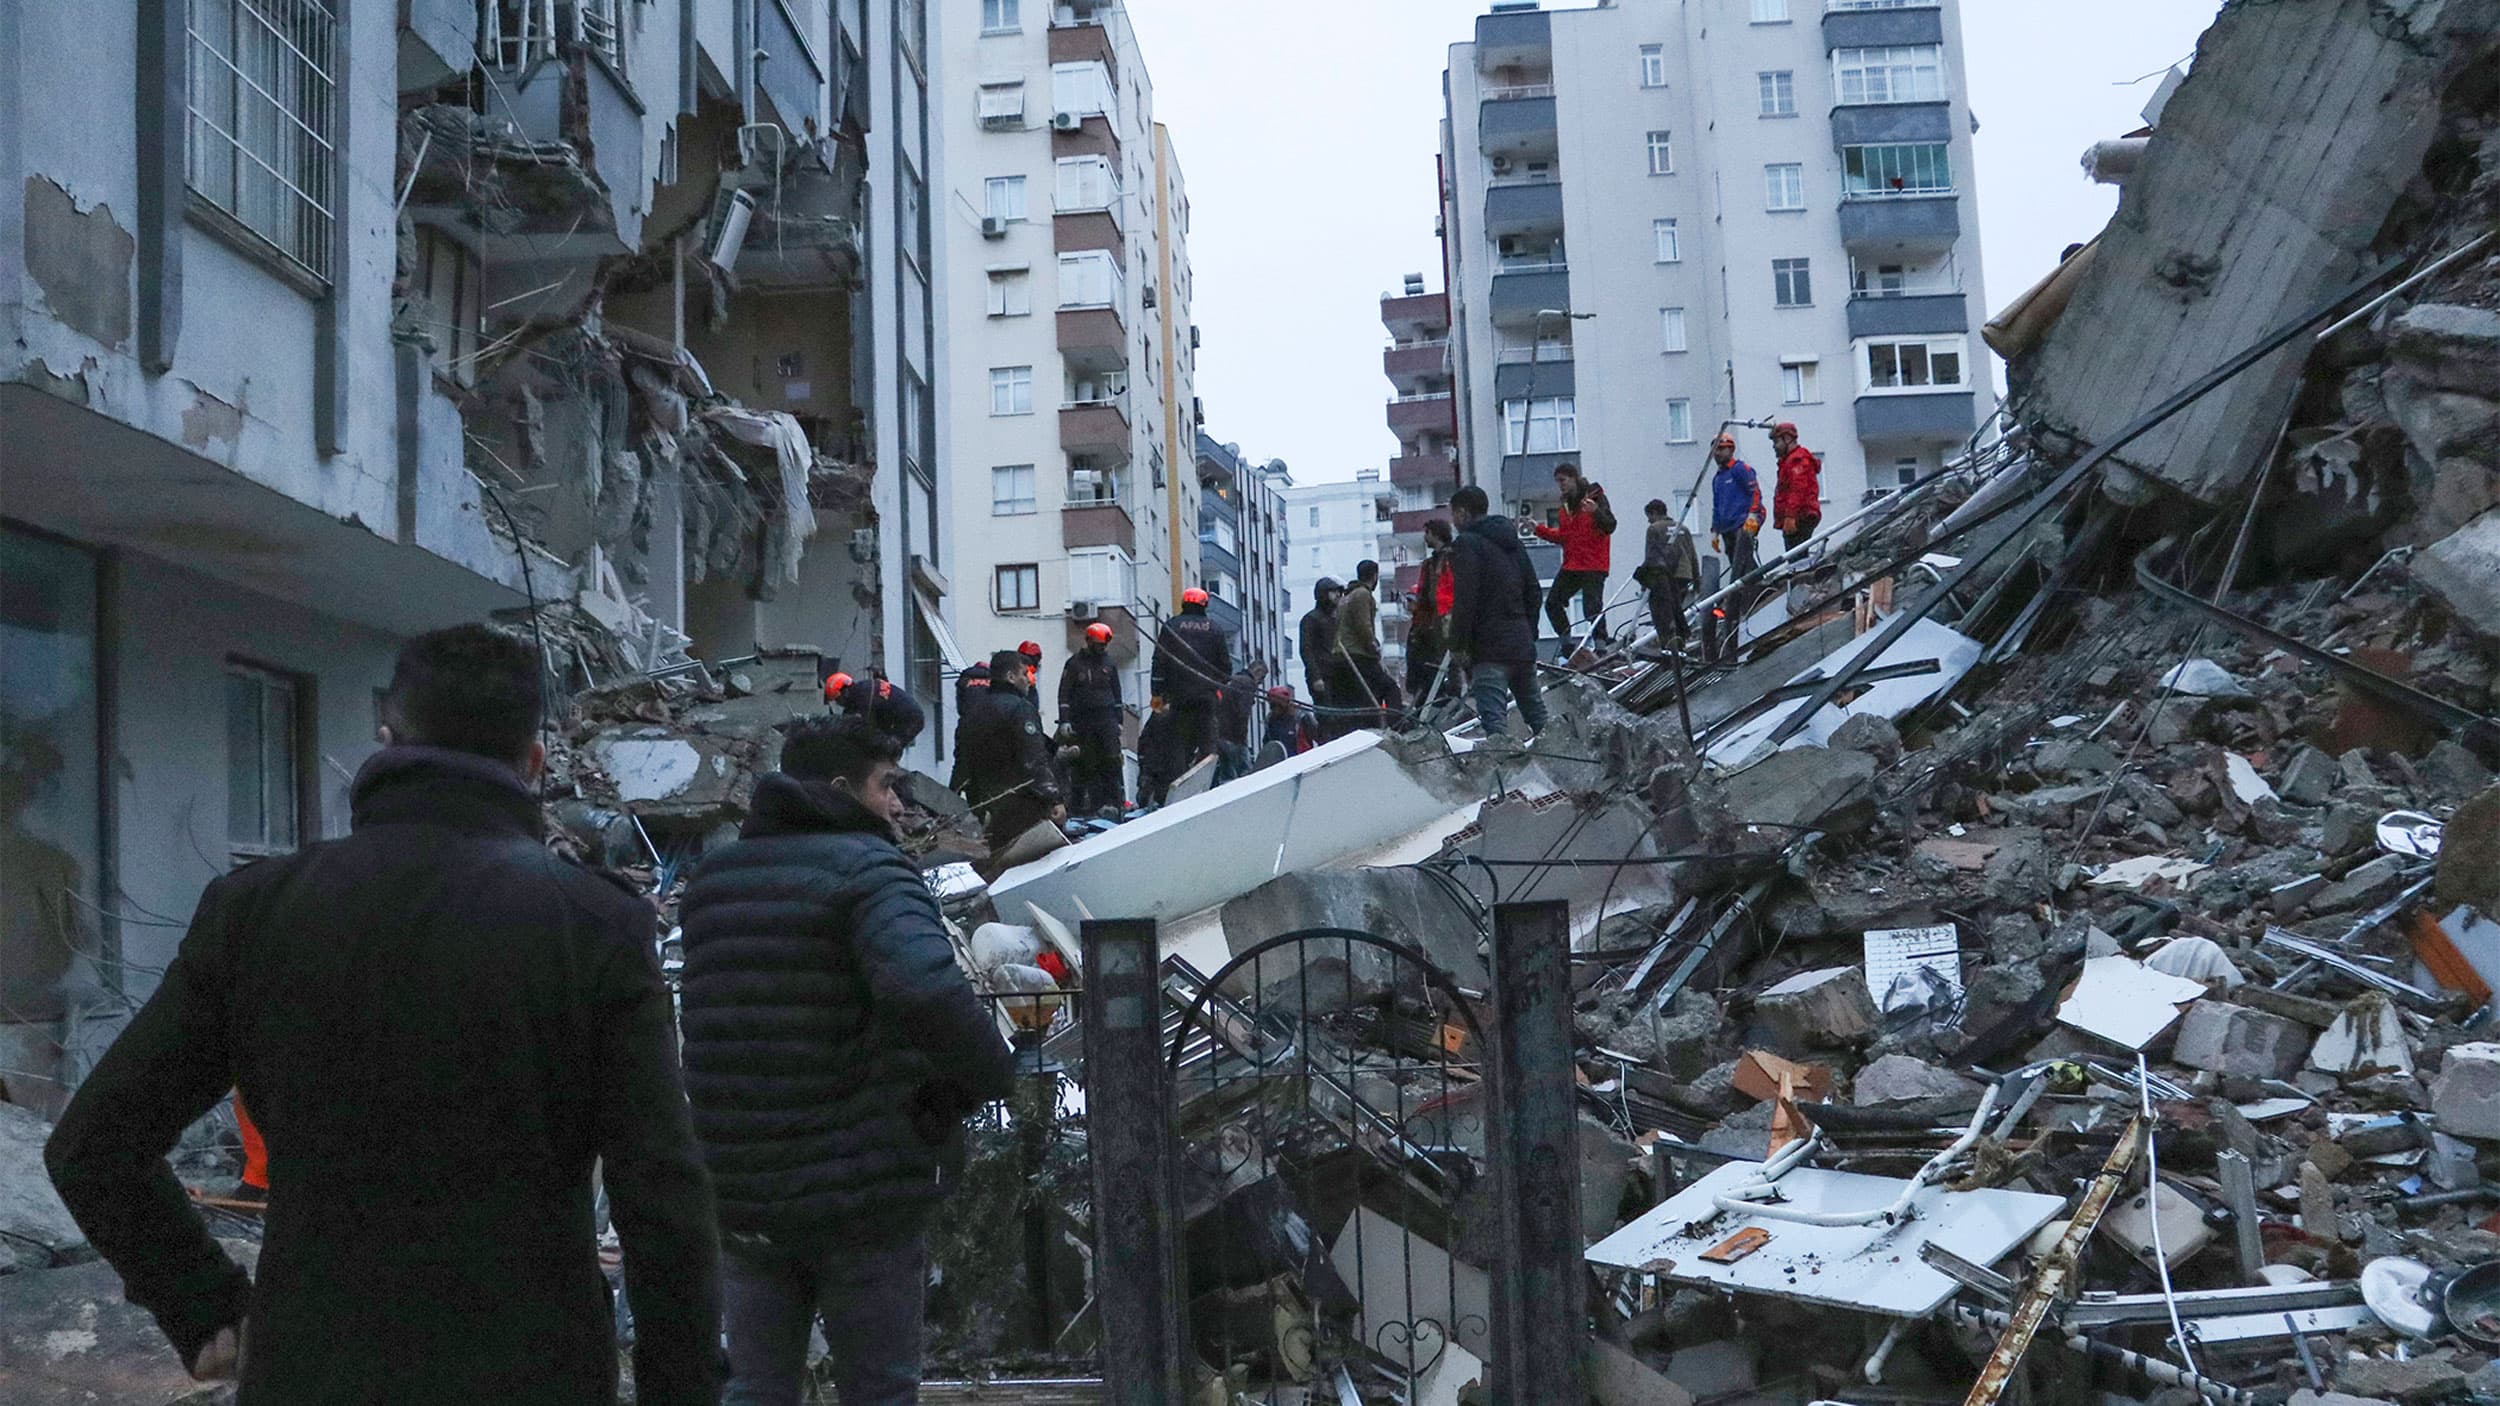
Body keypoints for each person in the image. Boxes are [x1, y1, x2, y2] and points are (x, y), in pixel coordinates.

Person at [45, 625, 722, 1404]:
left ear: (387, 741)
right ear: (534, 763)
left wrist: (205, 1306)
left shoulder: (259, 913)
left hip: (316, 1366)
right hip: (533, 1369)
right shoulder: (593, 926)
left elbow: (93, 1145)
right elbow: (663, 1202)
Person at [680, 715, 1017, 1406]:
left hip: (743, 1190)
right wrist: (986, 1077)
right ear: (840, 789)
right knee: (878, 1390)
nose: (899, 803)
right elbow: (927, 989)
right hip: (859, 1196)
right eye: (887, 785)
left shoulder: (715, 881)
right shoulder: (870, 872)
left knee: (755, 1389)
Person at [1445, 485, 1549, 739]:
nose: (1453, 522)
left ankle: (1505, 774)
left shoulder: (1467, 544)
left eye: (1454, 515)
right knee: (1540, 721)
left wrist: (1458, 644)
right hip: (1521, 646)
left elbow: (1465, 598)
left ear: (1462, 513)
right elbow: (1534, 592)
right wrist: (1529, 631)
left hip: (1489, 649)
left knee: (1496, 729)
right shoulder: (1512, 542)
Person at [955, 647, 1064, 857]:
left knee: (997, 865)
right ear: (1011, 676)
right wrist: (1054, 799)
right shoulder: (1020, 709)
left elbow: (962, 761)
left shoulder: (973, 713)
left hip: (985, 807)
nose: (1029, 680)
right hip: (1022, 807)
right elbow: (1034, 760)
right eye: (1024, 674)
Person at [1531, 462, 1617, 650]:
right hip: (1574, 564)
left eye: (1563, 480)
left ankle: (1601, 645)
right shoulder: (1565, 508)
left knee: (1591, 607)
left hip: (1594, 563)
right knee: (1552, 603)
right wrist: (1538, 530)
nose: (1560, 485)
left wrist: (1596, 512)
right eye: (1558, 481)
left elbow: (1610, 525)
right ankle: (1568, 645)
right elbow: (1565, 537)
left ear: (1573, 478)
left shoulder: (1595, 497)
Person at [1150, 587, 1232, 775]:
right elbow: (1225, 668)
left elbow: (1159, 661)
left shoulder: (1171, 626)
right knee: (1207, 742)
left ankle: (1179, 782)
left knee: (1177, 744)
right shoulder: (1215, 629)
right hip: (1205, 698)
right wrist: (1215, 687)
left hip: (1177, 698)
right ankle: (1207, 781)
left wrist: (1156, 692)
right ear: (1204, 605)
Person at [1057, 621, 1125, 816]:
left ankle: (1114, 804)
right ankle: (1080, 808)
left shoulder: (1109, 663)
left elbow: (1116, 693)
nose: (1102, 649)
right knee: (1083, 764)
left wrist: (1118, 721)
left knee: (1111, 761)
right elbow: (1064, 694)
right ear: (1089, 641)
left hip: (1106, 720)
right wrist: (1065, 720)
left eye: (1104, 646)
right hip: (1082, 721)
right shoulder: (1074, 664)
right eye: (1099, 645)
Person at [1707, 434, 1765, 661]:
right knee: (1737, 563)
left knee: (1743, 562)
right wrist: (1715, 530)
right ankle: (1748, 589)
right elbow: (1716, 506)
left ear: (1729, 449)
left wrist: (1753, 514)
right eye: (1715, 451)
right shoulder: (1718, 478)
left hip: (1744, 522)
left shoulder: (1740, 470)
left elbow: (1755, 493)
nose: (1717, 455)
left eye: (1720, 450)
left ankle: (1754, 588)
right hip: (1728, 527)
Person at [1332, 560, 1405, 731]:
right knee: (1390, 688)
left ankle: (1372, 728)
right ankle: (1398, 726)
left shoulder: (1345, 597)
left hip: (1342, 655)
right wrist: (1373, 646)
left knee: (1367, 697)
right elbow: (1363, 626)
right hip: (1358, 655)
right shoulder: (1362, 594)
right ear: (1374, 576)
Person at [1405, 521, 1458, 705]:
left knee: (1456, 659)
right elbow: (1424, 594)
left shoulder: (1452, 558)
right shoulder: (1430, 564)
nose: (1424, 537)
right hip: (1437, 619)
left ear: (1435, 534)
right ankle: (1452, 698)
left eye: (1426, 532)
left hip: (1449, 615)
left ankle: (1457, 697)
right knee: (1446, 662)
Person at [1636, 498, 1700, 649]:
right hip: (1685, 575)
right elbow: (1692, 554)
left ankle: (1670, 640)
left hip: (1666, 576)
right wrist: (1697, 580)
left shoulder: (1654, 529)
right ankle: (1679, 638)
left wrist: (1646, 581)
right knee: (1678, 608)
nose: (1648, 521)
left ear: (1654, 513)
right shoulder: (1683, 528)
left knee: (1664, 611)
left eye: (1649, 517)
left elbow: (1651, 556)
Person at [825, 669, 927, 750]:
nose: (838, 703)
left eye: (838, 700)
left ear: (845, 693)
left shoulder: (865, 699)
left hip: (910, 719)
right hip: (901, 717)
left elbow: (866, 728)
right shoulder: (863, 688)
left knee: (887, 748)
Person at [1769, 422, 1823, 552]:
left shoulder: (1797, 460)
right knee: (1795, 555)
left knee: (1796, 557)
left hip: (1801, 516)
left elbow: (1797, 489)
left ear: (1787, 439)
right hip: (1799, 516)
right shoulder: (1789, 461)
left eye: (1777, 442)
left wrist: (1790, 516)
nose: (1774, 447)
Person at [1298, 578, 1343, 731]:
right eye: (1333, 592)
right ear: (1323, 594)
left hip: (1338, 675)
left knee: (1341, 718)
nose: (1337, 595)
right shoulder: (1311, 619)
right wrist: (1316, 676)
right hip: (1322, 676)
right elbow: (1306, 649)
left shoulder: (1336, 620)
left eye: (1338, 592)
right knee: (1327, 718)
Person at [1214, 660, 1265, 784]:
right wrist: (1242, 738)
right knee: (1246, 777)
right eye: (1262, 677)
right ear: (1257, 672)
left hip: (1219, 733)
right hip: (1235, 737)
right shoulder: (1248, 684)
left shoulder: (1233, 679)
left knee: (1225, 775)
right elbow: (1243, 713)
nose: (1261, 682)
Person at [1135, 695, 1181, 806]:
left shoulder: (1154, 720)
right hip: (1166, 768)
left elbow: (1143, 744)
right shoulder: (1173, 719)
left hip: (1156, 767)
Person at [1259, 685, 1318, 765]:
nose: (1275, 708)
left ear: (1286, 701)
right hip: (1279, 764)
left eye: (1278, 703)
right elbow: (1267, 745)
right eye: (1272, 704)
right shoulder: (1270, 720)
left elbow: (1319, 735)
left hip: (1302, 762)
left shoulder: (1302, 717)